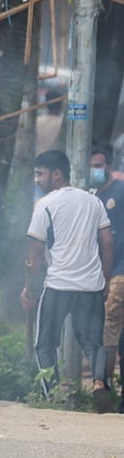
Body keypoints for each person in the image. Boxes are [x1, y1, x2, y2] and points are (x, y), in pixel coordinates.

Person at [23, 149, 114, 412]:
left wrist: (30, 287)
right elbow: (108, 243)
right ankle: (99, 383)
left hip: (58, 285)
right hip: (91, 286)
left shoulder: (45, 204)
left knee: (45, 344)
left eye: (40, 174)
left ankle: (53, 395)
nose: (37, 180)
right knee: (93, 343)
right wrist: (105, 279)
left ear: (56, 174)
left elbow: (36, 251)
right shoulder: (93, 201)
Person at [90, 145, 124, 407]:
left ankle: (103, 384)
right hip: (101, 272)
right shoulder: (92, 196)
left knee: (109, 329)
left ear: (109, 166)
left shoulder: (120, 192)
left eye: (98, 166)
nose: (94, 171)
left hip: (118, 272)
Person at [36, 89, 65, 154]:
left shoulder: (38, 121)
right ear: (61, 104)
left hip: (40, 157)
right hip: (58, 157)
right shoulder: (64, 122)